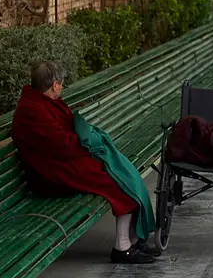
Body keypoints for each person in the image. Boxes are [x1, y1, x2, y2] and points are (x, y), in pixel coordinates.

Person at [10, 61, 157, 264]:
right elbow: (60, 145)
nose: (62, 87)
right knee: (117, 182)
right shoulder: (32, 110)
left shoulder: (41, 101)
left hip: (61, 162)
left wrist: (89, 140)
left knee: (122, 170)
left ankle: (132, 239)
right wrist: (89, 143)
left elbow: (66, 133)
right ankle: (122, 248)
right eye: (61, 83)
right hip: (50, 173)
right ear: (54, 85)